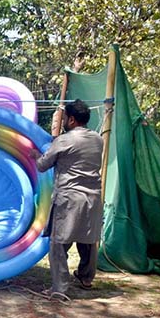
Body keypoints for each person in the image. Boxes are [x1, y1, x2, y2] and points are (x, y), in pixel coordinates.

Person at [30, 99, 104, 299]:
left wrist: (37, 154)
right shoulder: (98, 139)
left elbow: (43, 165)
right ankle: (86, 278)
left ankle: (59, 289)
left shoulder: (64, 140)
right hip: (93, 197)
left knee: (58, 243)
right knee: (88, 239)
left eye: (64, 118)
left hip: (69, 198)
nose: (63, 122)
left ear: (71, 119)